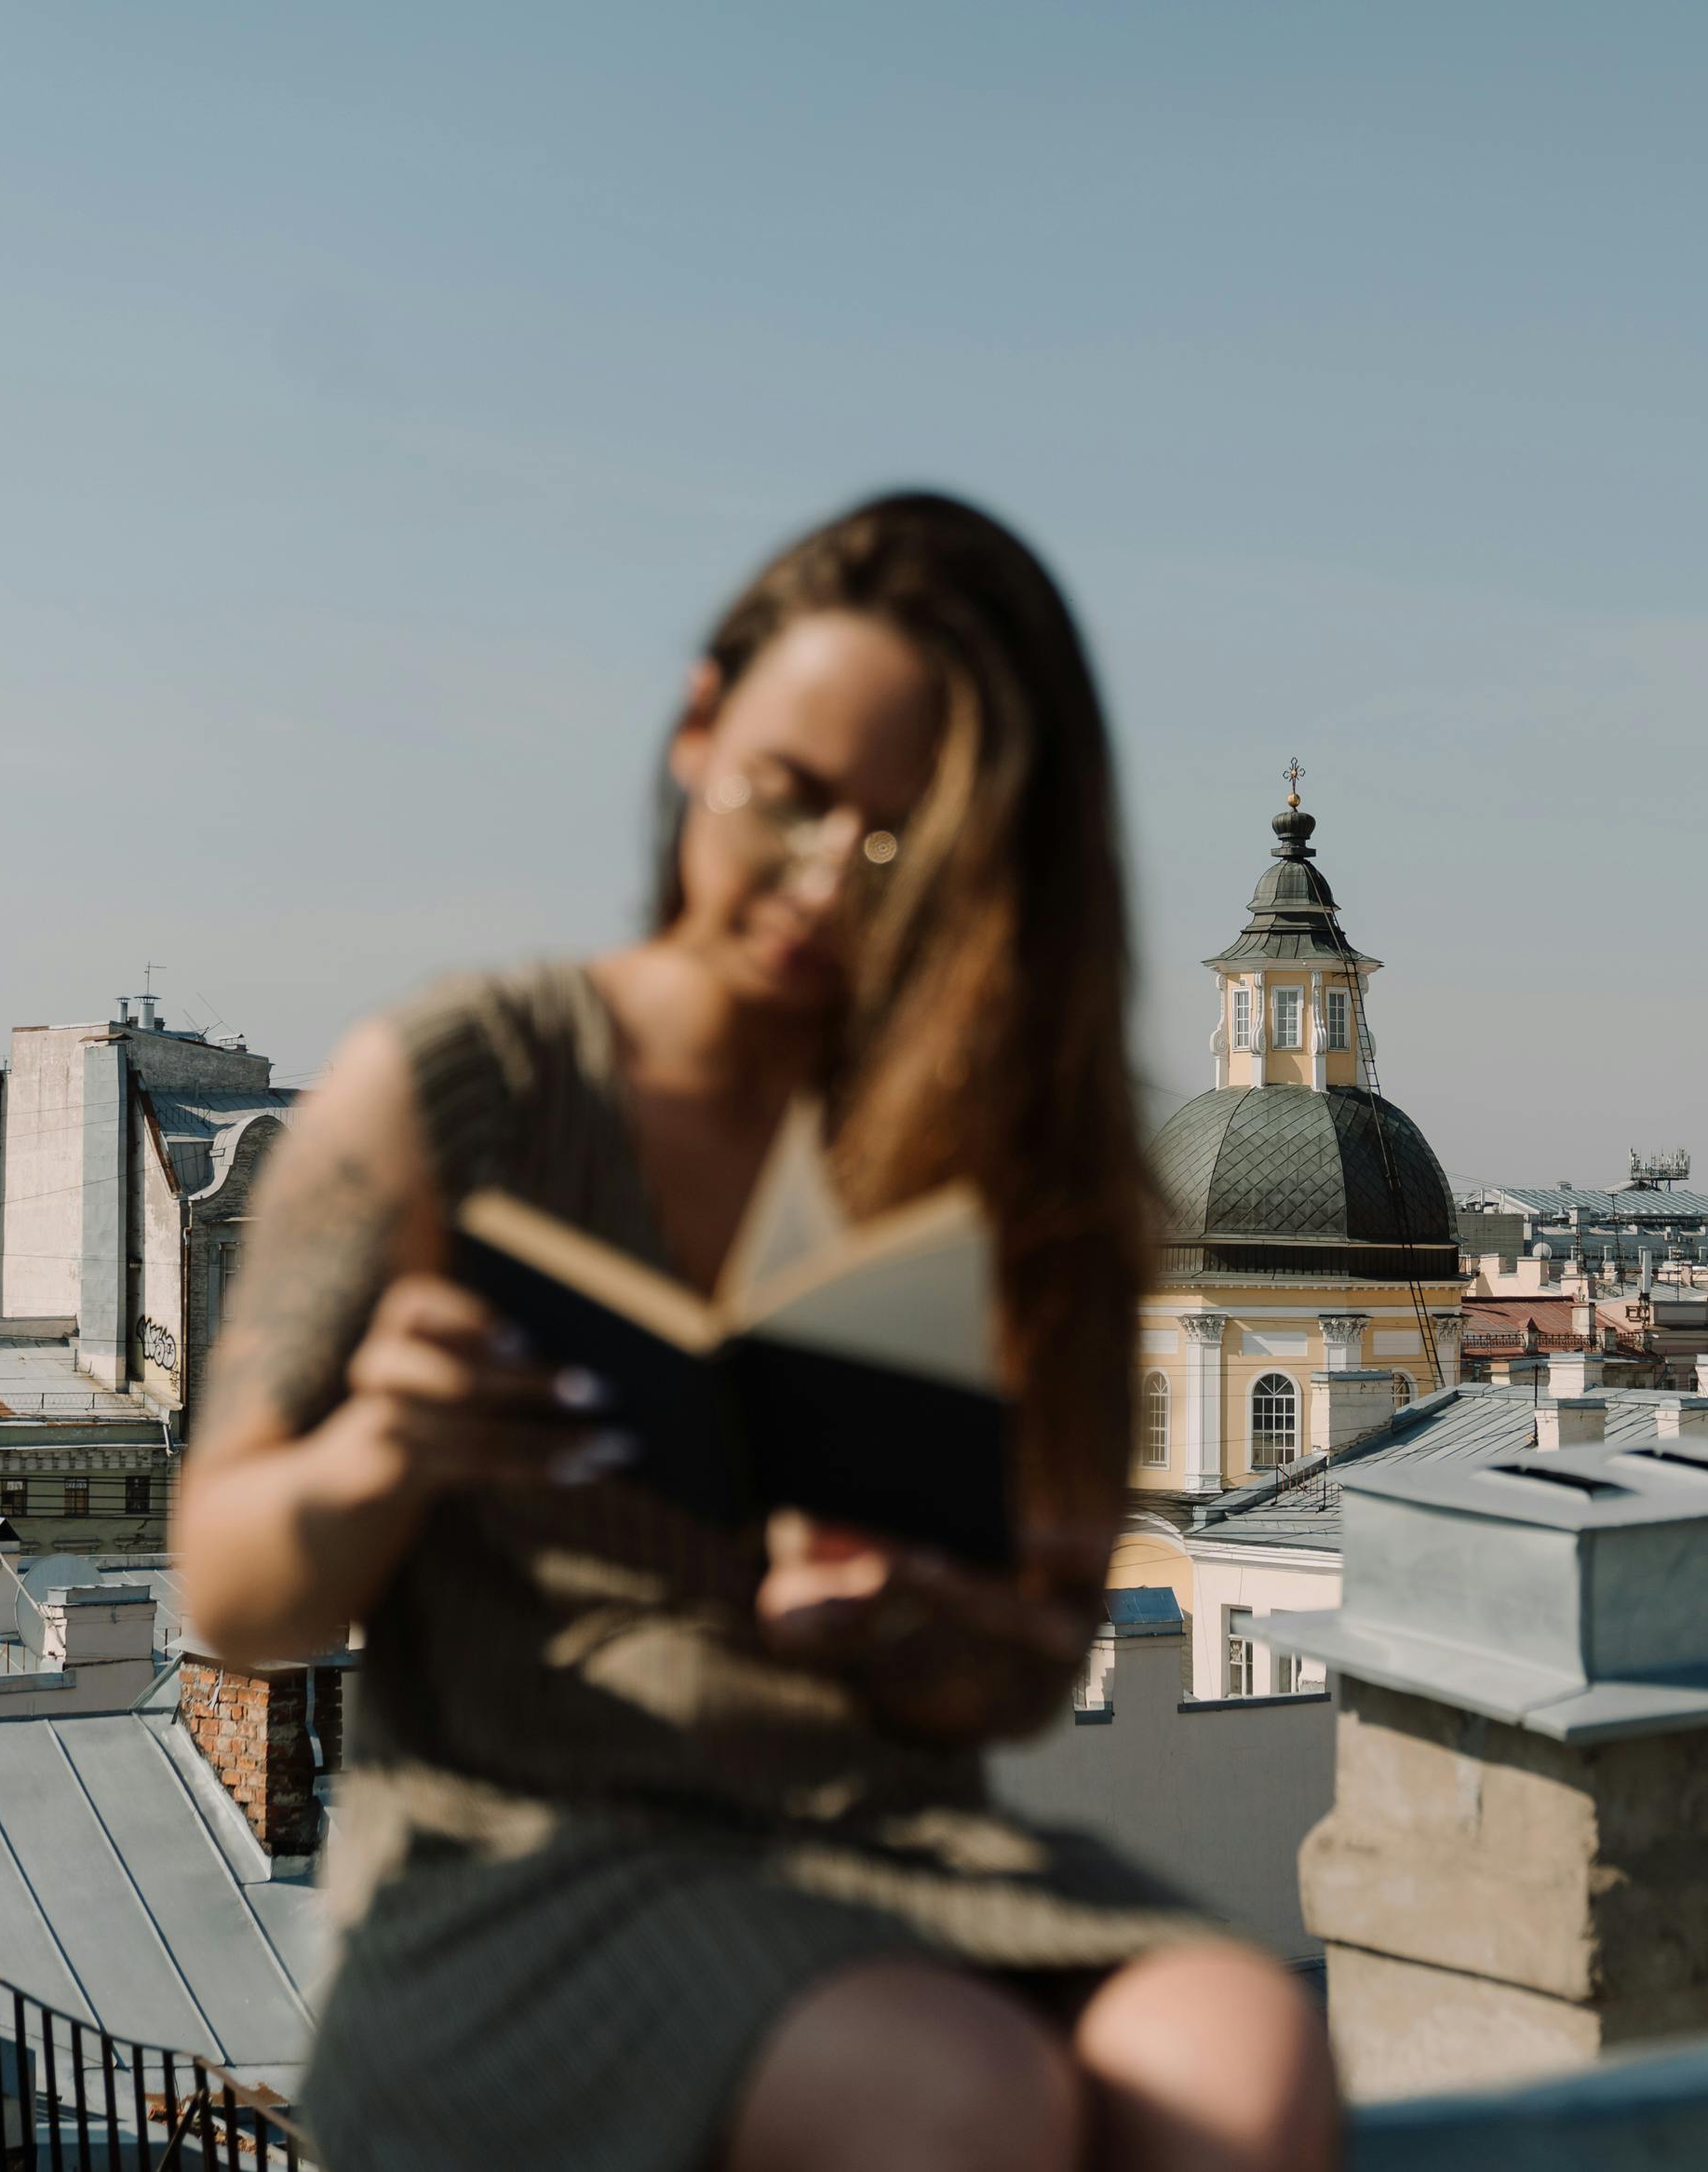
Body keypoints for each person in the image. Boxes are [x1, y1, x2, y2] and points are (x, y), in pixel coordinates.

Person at [173, 493, 1338, 2172]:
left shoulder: (1009, 1156)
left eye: (893, 845)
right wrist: (376, 1453)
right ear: (699, 727)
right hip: (529, 1870)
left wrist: (918, 1615)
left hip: (886, 1845)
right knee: (959, 2099)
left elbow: (1026, 1663)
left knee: (1249, 2068)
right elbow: (231, 1589)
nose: (815, 880)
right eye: (785, 797)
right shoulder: (467, 1084)